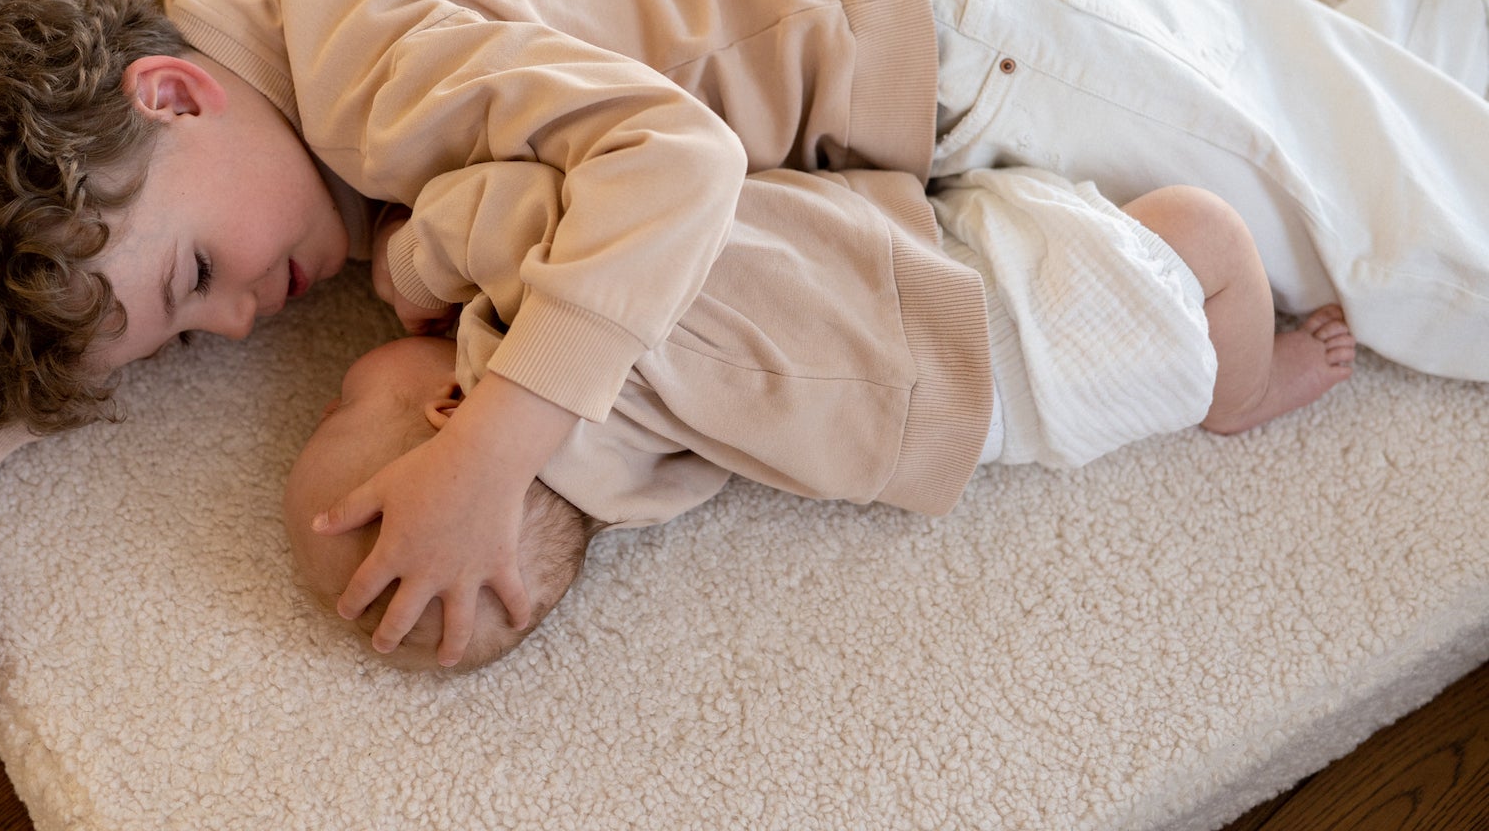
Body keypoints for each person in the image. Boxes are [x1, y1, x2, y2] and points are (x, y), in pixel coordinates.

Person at [0, 0, 1489, 722]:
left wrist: (496, 450)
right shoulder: (276, 97)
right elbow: (88, 280)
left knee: (1427, 257)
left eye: (198, 280)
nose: (239, 323)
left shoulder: (370, 59)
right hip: (949, 58)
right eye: (190, 332)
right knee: (1355, 127)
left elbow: (671, 165)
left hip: (999, 39)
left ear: (176, 96)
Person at [283, 162, 1357, 671]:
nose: (334, 386)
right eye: (339, 404)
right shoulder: (544, 349)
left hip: (993, 419)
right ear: (448, 404)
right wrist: (414, 249)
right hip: (995, 332)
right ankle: (1247, 390)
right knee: (1199, 228)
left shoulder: (630, 483)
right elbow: (562, 206)